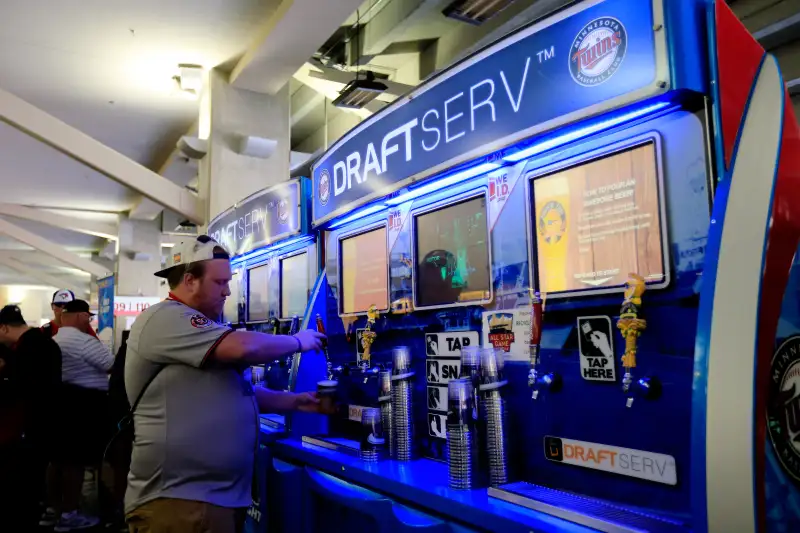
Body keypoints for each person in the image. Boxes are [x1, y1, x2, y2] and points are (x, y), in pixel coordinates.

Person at [125, 235, 326, 533]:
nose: (227, 291)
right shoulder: (165, 318)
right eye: (220, 283)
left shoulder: (201, 327)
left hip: (211, 502)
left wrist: (295, 401)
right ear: (190, 280)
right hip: (178, 504)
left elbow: (234, 391)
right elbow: (245, 347)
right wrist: (298, 341)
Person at [49, 299, 114, 531]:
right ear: (80, 316)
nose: (90, 320)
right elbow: (110, 365)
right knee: (76, 462)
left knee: (59, 460)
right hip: (85, 407)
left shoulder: (55, 340)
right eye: (89, 316)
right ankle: (70, 515)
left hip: (63, 405)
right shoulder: (83, 341)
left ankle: (55, 509)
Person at [0, 305, 62, 530]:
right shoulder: (43, 342)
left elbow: (23, 388)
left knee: (25, 484)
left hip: (31, 427)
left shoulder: (29, 348)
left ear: (4, 328)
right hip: (42, 424)